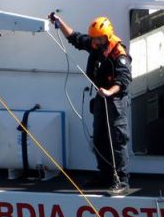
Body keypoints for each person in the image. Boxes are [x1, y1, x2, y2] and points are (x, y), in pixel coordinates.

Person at [50, 13, 132, 195]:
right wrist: (59, 21)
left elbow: (124, 79)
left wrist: (109, 92)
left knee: (117, 140)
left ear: (107, 36)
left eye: (99, 38)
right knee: (99, 137)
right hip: (101, 98)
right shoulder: (96, 45)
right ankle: (105, 175)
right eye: (94, 38)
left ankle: (122, 180)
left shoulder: (119, 54)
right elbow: (75, 38)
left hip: (115, 100)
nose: (95, 41)